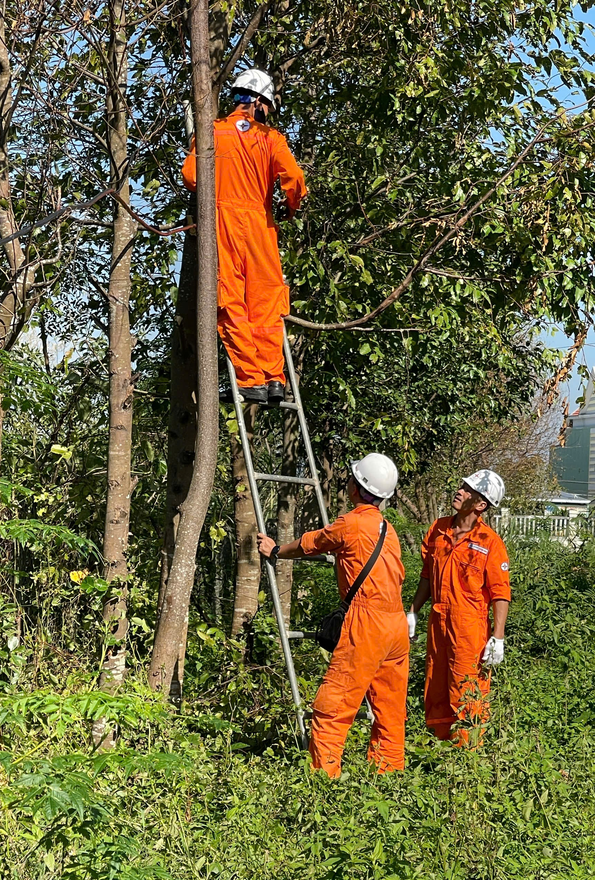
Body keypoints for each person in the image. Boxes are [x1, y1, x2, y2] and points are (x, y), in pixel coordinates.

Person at [257, 453, 409, 776]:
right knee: (390, 711)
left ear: (357, 488)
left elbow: (310, 544)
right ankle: (390, 777)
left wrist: (274, 550)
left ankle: (324, 786)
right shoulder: (389, 530)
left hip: (367, 622)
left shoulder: (351, 523)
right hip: (396, 625)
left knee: (333, 707)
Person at [182, 69, 307, 405]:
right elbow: (294, 178)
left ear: (237, 98)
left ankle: (251, 379)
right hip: (260, 228)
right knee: (266, 304)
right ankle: (274, 379)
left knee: (232, 302)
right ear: (262, 104)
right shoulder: (271, 138)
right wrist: (289, 206)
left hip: (222, 224)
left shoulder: (212, 132)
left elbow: (192, 177)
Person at [407, 469, 510, 747]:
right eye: (462, 486)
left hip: (470, 628)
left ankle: (467, 752)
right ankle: (439, 747)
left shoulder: (490, 543)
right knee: (437, 683)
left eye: (468, 490)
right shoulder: (438, 529)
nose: (460, 491)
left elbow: (500, 593)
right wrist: (413, 610)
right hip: (438, 620)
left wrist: (497, 638)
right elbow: (427, 575)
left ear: (480, 505)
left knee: (466, 688)